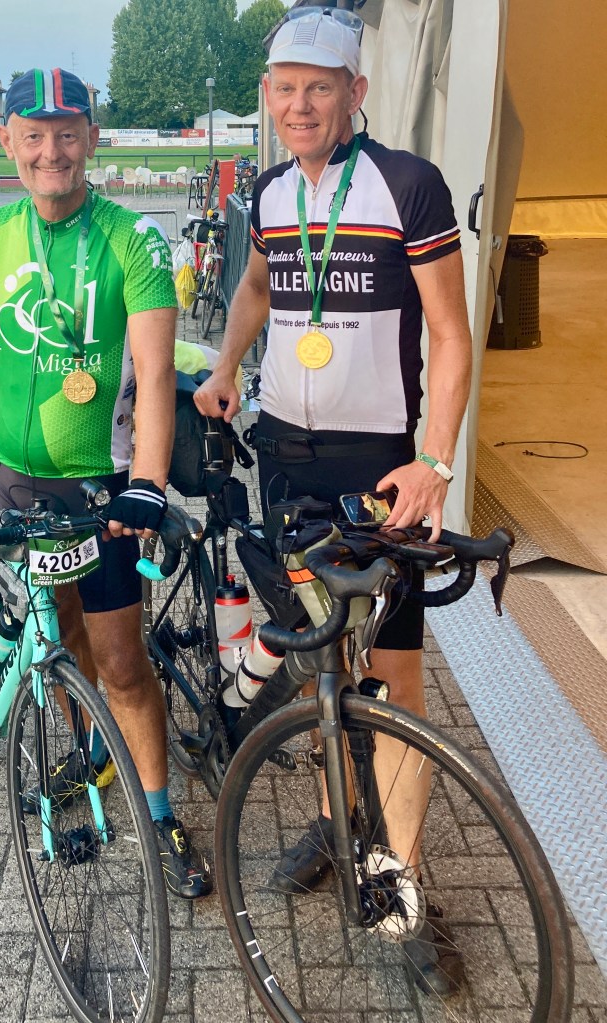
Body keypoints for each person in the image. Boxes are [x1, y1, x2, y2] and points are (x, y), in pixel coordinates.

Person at [194, 7, 472, 990]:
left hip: (377, 466)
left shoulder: (408, 184)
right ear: (269, 97)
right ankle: (331, 821)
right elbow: (258, 287)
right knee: (319, 650)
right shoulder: (271, 192)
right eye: (285, 88)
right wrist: (225, 365)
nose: (300, 104)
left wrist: (434, 461)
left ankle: (399, 886)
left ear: (356, 92)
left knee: (391, 671)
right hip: (285, 455)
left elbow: (451, 332)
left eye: (320, 86)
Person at [0, 67, 212, 901]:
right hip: (15, 476)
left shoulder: (133, 240)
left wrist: (149, 482)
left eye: (67, 134)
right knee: (55, 636)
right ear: (8, 143)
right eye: (33, 136)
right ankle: (88, 756)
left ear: (91, 139)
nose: (50, 152)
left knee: (122, 661)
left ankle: (158, 811)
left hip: (101, 486)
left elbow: (155, 372)